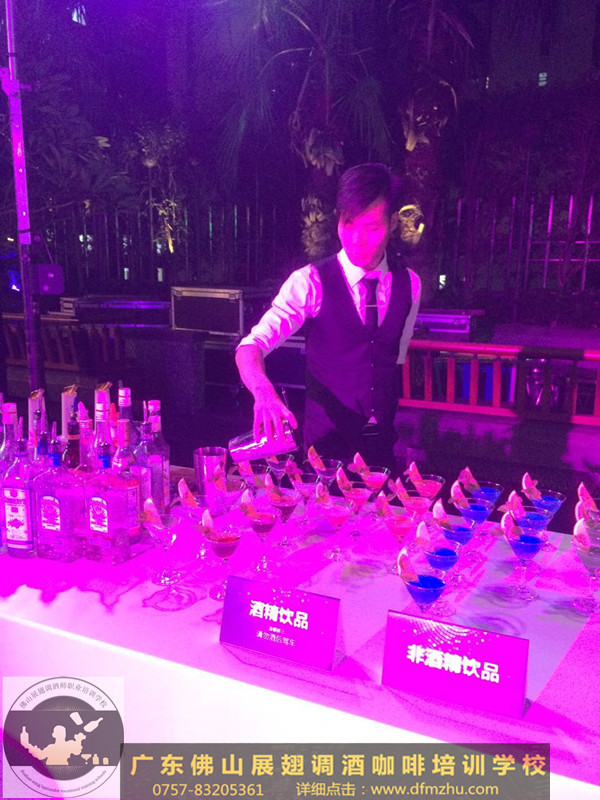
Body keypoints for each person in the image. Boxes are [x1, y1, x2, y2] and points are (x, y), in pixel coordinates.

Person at [236, 163, 421, 471]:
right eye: (348, 224)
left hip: (381, 452)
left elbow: (394, 361)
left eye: (372, 227)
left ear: (391, 223)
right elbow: (250, 346)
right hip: (324, 455)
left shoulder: (410, 283)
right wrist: (263, 391)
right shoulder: (310, 282)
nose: (357, 240)